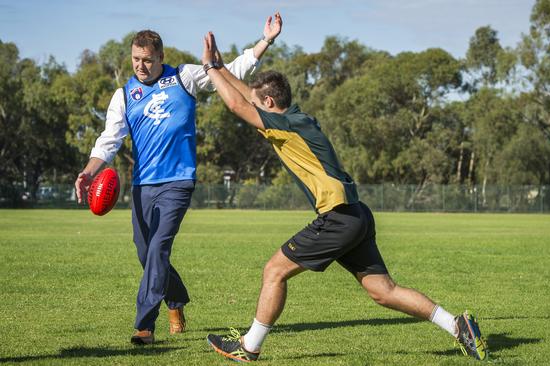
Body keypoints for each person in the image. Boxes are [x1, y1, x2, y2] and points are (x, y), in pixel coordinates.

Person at [199, 32, 488, 362]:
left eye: (259, 102)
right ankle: (457, 326)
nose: (255, 105)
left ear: (268, 104)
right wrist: (220, 67)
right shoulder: (297, 118)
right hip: (356, 214)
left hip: (337, 217)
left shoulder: (286, 126)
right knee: (383, 291)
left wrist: (208, 67)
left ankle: (249, 347)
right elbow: (246, 96)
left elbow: (238, 104)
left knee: (274, 271)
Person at [74, 14, 283, 345]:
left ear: (161, 58)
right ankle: (176, 301)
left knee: (158, 248)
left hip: (178, 181)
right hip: (143, 185)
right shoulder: (124, 95)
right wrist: (89, 172)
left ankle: (145, 325)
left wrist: (265, 40)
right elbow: (109, 140)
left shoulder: (184, 77)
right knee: (146, 254)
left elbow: (233, 72)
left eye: (147, 60)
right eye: (135, 59)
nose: (140, 66)